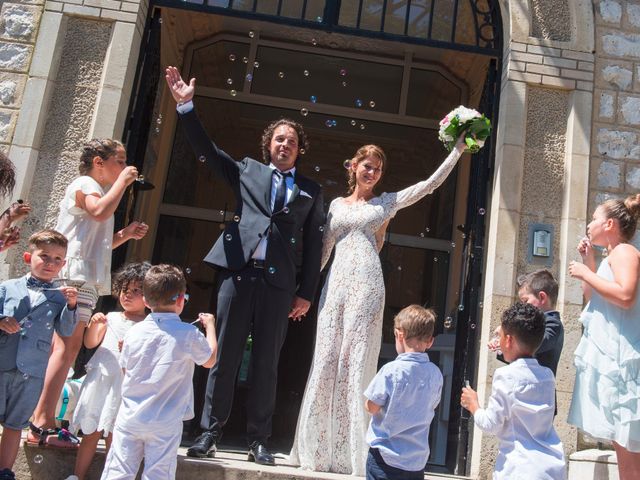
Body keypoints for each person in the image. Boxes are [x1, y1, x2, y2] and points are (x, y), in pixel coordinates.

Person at [165, 66, 325, 465]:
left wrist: (306, 292)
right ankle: (209, 432)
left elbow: (314, 243)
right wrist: (186, 107)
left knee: (267, 363)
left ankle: (259, 439)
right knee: (224, 354)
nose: (284, 144)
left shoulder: (310, 190)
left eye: (291, 140)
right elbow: (208, 152)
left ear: (299, 149)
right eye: (278, 138)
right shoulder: (248, 171)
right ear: (268, 144)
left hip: (279, 285)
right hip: (237, 274)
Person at [290, 138, 467, 475]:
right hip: (336, 286)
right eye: (367, 165)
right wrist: (306, 293)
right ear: (353, 166)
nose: (372, 171)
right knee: (326, 357)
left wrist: (457, 150)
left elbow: (428, 186)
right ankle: (318, 449)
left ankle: (354, 452)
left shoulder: (385, 204)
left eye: (378, 168)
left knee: (355, 360)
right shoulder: (336, 206)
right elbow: (324, 252)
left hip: (368, 286)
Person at [28, 139, 149, 448]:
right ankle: (41, 422)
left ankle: (45, 420)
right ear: (99, 162)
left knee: (68, 351)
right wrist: (122, 183)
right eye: (118, 161)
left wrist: (125, 234)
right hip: (73, 278)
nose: (123, 167)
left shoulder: (95, 189)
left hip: (84, 280)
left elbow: (97, 241)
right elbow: (97, 212)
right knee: (64, 350)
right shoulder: (85, 183)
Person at [100, 264, 217, 480]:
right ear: (181, 300)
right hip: (166, 419)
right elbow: (209, 360)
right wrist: (210, 326)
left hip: (130, 415)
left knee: (118, 470)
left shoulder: (134, 332)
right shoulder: (188, 333)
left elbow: (126, 369)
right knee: (159, 474)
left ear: (145, 300)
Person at [568, 194, 640, 480]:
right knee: (623, 448)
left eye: (595, 218)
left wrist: (587, 271)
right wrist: (590, 260)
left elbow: (625, 295)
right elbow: (593, 298)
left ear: (609, 223)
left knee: (630, 458)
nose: (589, 223)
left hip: (624, 361)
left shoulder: (625, 252)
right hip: (615, 360)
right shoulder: (613, 255)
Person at [0, 230, 78, 480]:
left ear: (63, 264)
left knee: (15, 424)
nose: (50, 263)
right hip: (2, 363)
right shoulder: (7, 287)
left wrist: (72, 306)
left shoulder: (59, 297)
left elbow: (65, 330)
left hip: (32, 371)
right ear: (27, 257)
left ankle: (5, 471)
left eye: (57, 259)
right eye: (44, 256)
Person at [64, 262, 150, 480]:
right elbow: (91, 343)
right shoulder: (110, 317)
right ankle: (78, 475)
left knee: (116, 435)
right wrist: (94, 325)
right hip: (101, 380)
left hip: (125, 385)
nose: (127, 295)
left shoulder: (149, 325)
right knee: (90, 431)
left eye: (136, 291)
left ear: (149, 296)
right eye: (124, 290)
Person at [461, 302, 565, 480]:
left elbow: (491, 424)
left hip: (520, 468)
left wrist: (474, 405)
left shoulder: (506, 375)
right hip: (552, 467)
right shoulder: (548, 375)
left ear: (508, 340)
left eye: (499, 335)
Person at [363, 305, 442, 480]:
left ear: (400, 334)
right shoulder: (435, 374)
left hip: (385, 456)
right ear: (430, 341)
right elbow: (433, 405)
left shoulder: (391, 370)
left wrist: (368, 403)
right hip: (416, 461)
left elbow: (372, 406)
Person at [489, 269, 564, 375]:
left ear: (542, 297)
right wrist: (503, 343)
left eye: (525, 301)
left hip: (541, 387)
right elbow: (518, 356)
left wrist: (508, 331)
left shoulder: (553, 323)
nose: (524, 306)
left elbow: (534, 344)